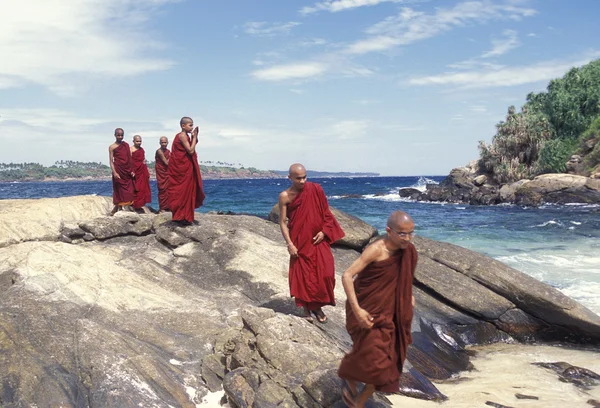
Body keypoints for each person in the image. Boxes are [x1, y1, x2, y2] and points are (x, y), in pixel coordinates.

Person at [337, 211, 418, 408]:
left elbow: (406, 278)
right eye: (402, 234)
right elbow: (347, 276)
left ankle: (360, 401)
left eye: (410, 233)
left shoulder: (409, 251)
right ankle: (351, 375)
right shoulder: (376, 250)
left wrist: (409, 297)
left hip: (392, 312)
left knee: (390, 359)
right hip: (366, 309)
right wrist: (357, 310)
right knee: (375, 356)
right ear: (389, 231)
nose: (407, 238)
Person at [278, 163, 345, 323]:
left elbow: (326, 213)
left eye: (304, 177)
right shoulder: (285, 196)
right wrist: (290, 244)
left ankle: (317, 305)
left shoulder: (316, 189)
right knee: (303, 275)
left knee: (326, 273)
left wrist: (324, 231)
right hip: (299, 240)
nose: (302, 181)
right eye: (298, 178)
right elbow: (282, 222)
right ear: (290, 178)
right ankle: (307, 308)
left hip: (318, 239)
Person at [168, 117, 205, 225]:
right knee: (181, 191)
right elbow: (190, 150)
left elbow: (190, 147)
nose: (192, 127)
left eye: (192, 125)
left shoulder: (185, 136)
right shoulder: (182, 135)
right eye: (190, 125)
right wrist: (194, 137)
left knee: (188, 191)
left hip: (187, 167)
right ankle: (180, 216)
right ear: (183, 126)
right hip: (181, 169)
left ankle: (186, 216)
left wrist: (194, 137)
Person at [109, 127, 135, 215]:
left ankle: (124, 206)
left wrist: (132, 170)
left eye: (121, 135)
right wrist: (114, 172)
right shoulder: (112, 147)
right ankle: (118, 207)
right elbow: (111, 161)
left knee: (129, 190)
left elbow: (129, 158)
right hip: (118, 169)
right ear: (115, 135)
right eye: (118, 135)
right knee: (118, 189)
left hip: (126, 170)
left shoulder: (126, 145)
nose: (120, 137)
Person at [130, 135, 152, 213]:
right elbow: (129, 161)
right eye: (137, 141)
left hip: (142, 170)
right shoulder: (131, 149)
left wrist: (145, 167)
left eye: (140, 141)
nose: (139, 143)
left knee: (143, 188)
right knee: (136, 188)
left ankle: (140, 204)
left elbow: (143, 159)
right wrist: (131, 170)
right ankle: (134, 205)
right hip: (135, 171)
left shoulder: (142, 149)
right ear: (133, 141)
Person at [155, 136, 170, 212]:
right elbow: (166, 162)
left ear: (167, 142)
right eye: (162, 142)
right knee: (162, 189)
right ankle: (162, 208)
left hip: (167, 173)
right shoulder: (159, 151)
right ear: (160, 143)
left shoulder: (168, 151)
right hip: (161, 173)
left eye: (165, 142)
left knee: (169, 189)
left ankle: (168, 206)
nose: (164, 144)